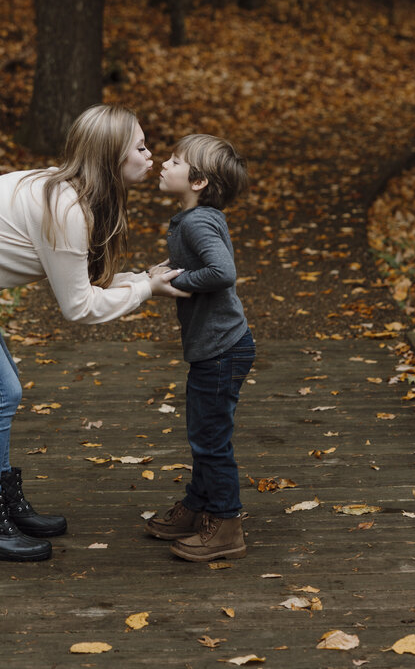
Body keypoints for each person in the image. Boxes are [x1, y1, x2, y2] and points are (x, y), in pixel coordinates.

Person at [0, 103, 188, 563]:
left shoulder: (72, 192)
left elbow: (85, 284)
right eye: (141, 147)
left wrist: (141, 279)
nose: (151, 155)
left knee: (2, 386)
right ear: (110, 157)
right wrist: (145, 288)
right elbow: (79, 307)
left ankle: (1, 503)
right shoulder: (66, 208)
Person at [144, 133, 255, 562]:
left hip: (222, 348)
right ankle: (198, 506)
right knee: (204, 434)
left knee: (211, 439)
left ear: (198, 182)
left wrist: (175, 286)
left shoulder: (196, 221)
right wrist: (162, 273)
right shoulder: (199, 218)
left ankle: (226, 524)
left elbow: (221, 272)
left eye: (174, 161)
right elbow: (203, 262)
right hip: (220, 347)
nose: (163, 165)